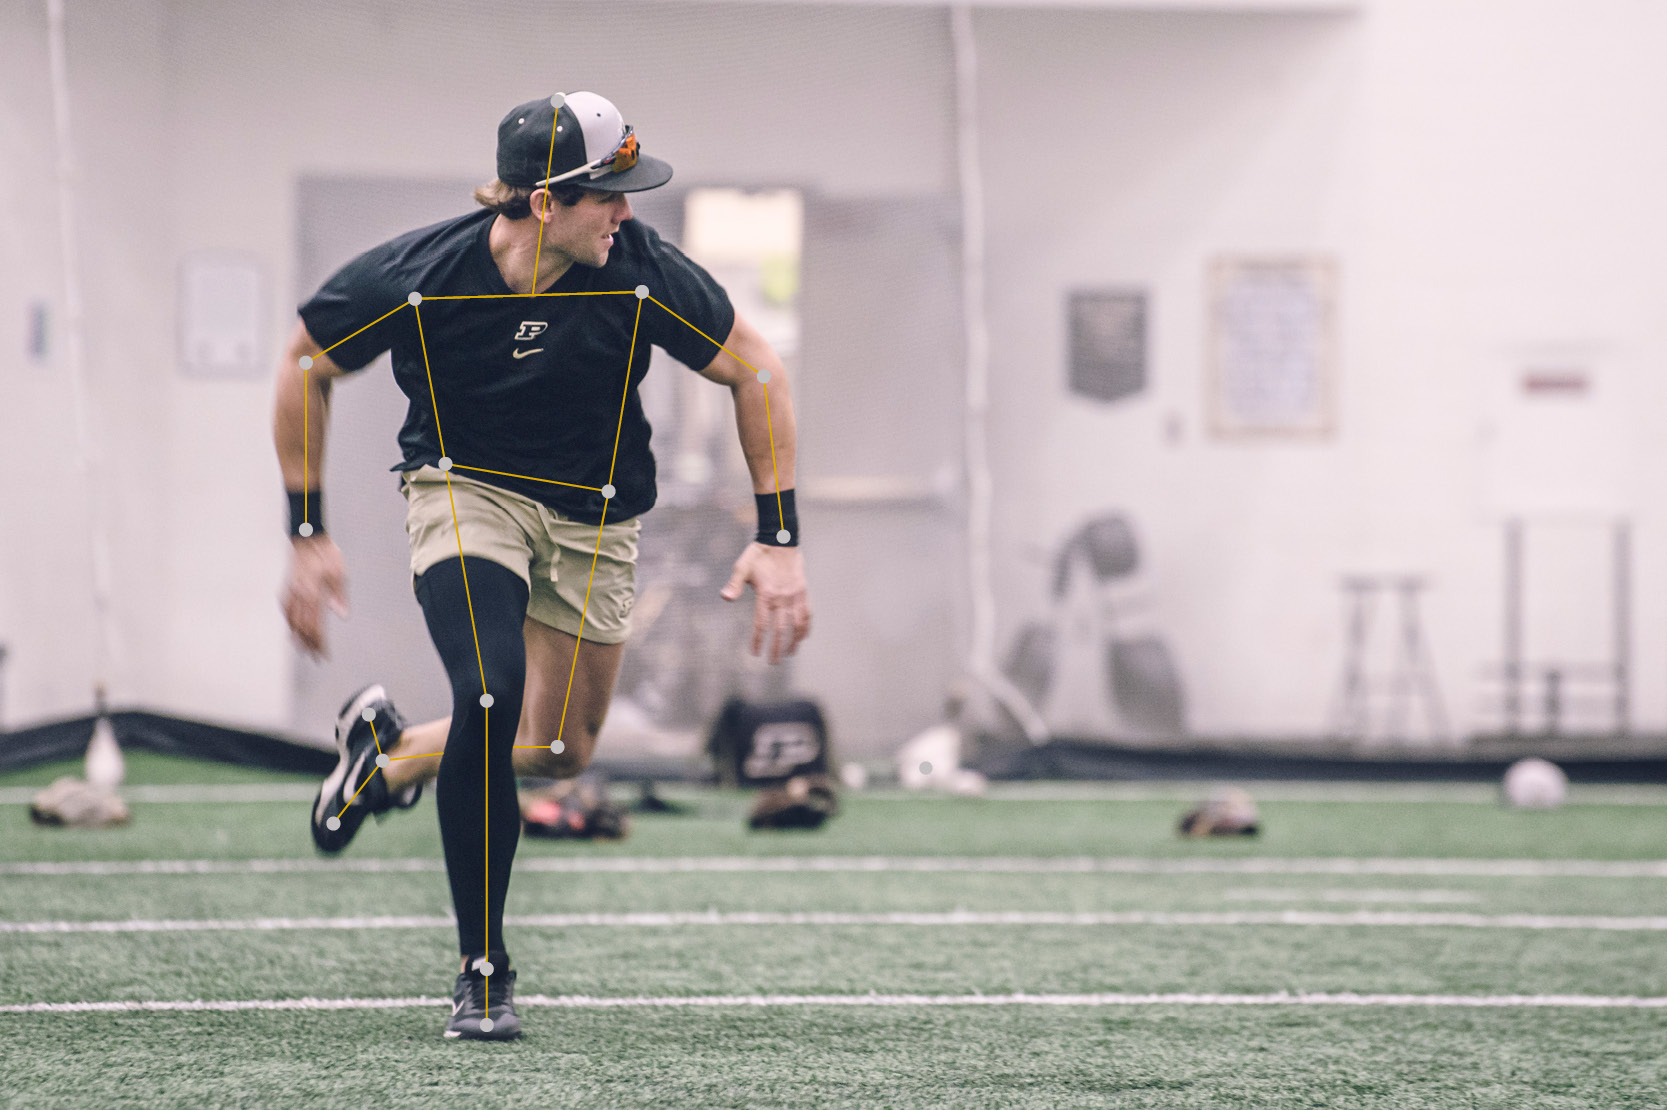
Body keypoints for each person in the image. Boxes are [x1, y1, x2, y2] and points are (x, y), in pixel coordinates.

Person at [272, 91, 811, 1041]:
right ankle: (483, 972)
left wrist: (777, 540)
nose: (627, 212)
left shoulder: (636, 272)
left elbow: (755, 369)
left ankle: (391, 752)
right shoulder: (420, 274)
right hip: (462, 490)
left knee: (560, 750)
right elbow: (306, 361)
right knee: (489, 694)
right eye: (608, 194)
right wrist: (307, 530)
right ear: (541, 199)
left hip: (594, 518)